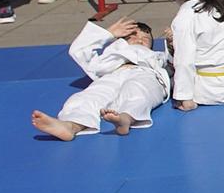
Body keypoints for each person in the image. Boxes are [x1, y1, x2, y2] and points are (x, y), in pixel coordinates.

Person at [30, 18, 172, 139]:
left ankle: (125, 119)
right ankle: (70, 126)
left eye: (145, 38)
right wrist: (108, 33)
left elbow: (176, 63)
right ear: (121, 40)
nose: (139, 40)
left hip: (145, 73)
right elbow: (78, 51)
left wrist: (173, 44)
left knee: (138, 90)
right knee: (88, 96)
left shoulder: (157, 56)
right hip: (112, 74)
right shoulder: (110, 56)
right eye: (132, 36)